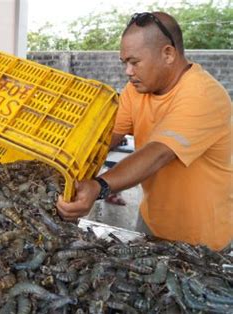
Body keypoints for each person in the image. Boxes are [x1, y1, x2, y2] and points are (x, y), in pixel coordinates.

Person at [57, 12, 232, 251]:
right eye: (124, 63)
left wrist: (99, 187)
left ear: (168, 54)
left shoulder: (203, 94)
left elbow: (159, 153)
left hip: (204, 241)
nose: (128, 71)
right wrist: (58, 158)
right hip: (151, 225)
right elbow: (102, 139)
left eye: (134, 62)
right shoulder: (135, 91)